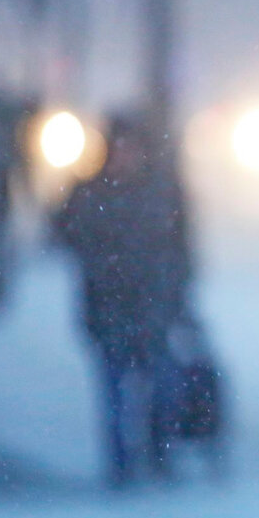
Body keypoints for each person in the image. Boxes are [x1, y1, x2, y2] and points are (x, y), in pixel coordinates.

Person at [55, 109, 195, 487]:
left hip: (151, 307)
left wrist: (179, 296)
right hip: (109, 307)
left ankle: (159, 455)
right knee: (115, 391)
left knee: (161, 387)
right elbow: (61, 235)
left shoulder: (159, 192)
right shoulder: (91, 192)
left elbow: (182, 249)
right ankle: (121, 465)